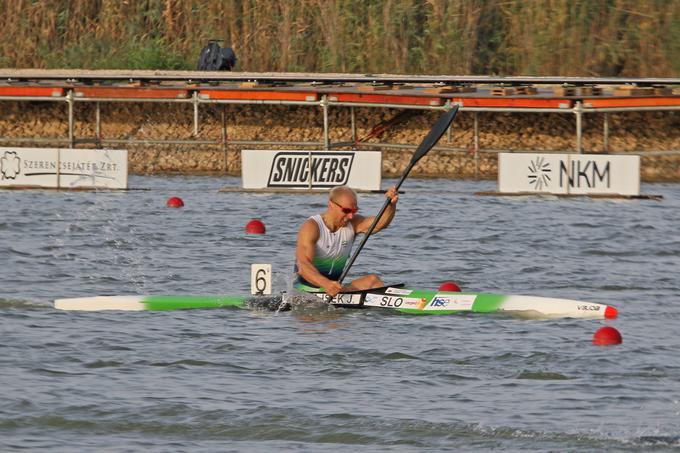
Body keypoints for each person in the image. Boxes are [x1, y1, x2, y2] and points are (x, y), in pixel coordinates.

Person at [294, 185, 399, 297]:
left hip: (334, 290)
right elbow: (303, 266)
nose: (350, 216)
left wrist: (390, 205)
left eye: (354, 211)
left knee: (373, 280)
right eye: (346, 210)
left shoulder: (353, 223)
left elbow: (379, 224)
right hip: (305, 292)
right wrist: (326, 284)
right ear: (331, 205)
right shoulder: (312, 227)